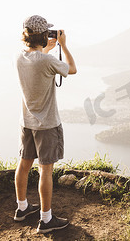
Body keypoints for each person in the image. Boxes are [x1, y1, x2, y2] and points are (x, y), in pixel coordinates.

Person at [13, 15, 77, 233]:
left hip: (26, 123)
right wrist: (64, 46)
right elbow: (72, 69)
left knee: (24, 163)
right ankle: (46, 219)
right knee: (45, 171)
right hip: (47, 125)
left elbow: (37, 63)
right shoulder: (47, 61)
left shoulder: (20, 57)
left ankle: (22, 208)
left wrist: (45, 49)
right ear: (42, 35)